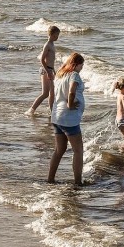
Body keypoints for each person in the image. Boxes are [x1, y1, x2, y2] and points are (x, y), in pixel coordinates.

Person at [48, 53, 86, 185]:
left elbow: (52, 93)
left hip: (57, 116)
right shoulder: (74, 75)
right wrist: (70, 104)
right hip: (69, 119)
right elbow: (71, 91)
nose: (82, 68)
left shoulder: (60, 74)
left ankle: (50, 179)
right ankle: (78, 182)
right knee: (78, 150)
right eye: (81, 65)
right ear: (76, 64)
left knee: (59, 150)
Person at [26, 25, 59, 116]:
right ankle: (31, 110)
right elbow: (42, 59)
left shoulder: (52, 44)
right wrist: (48, 72)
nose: (57, 37)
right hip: (46, 71)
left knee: (52, 93)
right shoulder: (47, 45)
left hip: (50, 70)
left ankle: (52, 112)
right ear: (51, 35)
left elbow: (51, 60)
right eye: (56, 35)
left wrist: (54, 71)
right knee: (45, 94)